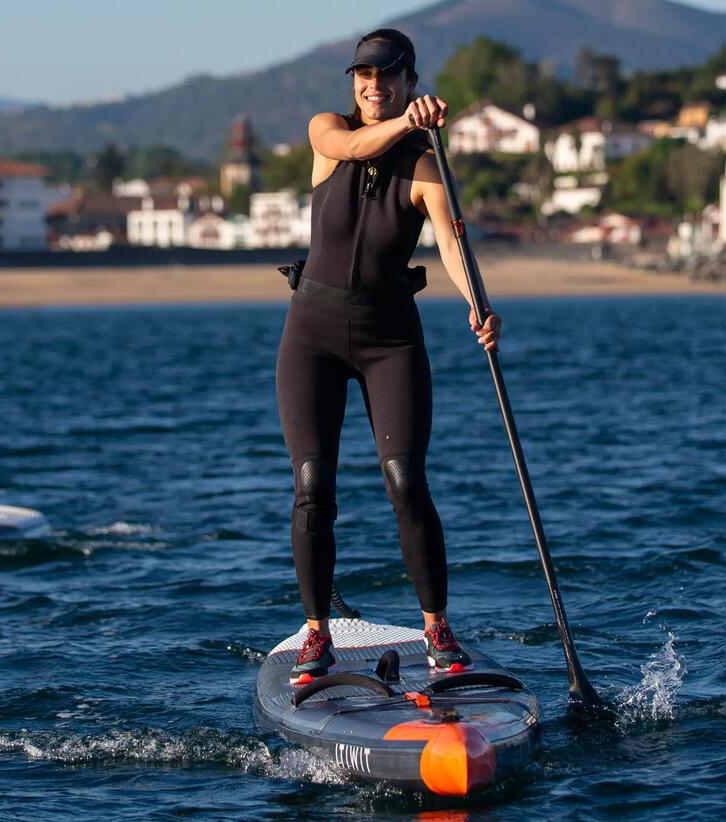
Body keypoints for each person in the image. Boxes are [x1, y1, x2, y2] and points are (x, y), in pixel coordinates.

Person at [278, 28, 502, 684]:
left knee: (406, 481)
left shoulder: (425, 163)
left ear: (408, 79)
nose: (374, 88)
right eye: (363, 79)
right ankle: (317, 633)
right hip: (311, 336)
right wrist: (409, 120)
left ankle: (436, 626)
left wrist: (477, 305)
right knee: (313, 488)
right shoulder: (327, 130)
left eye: (388, 78)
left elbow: (453, 247)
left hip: (390, 339)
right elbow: (350, 147)